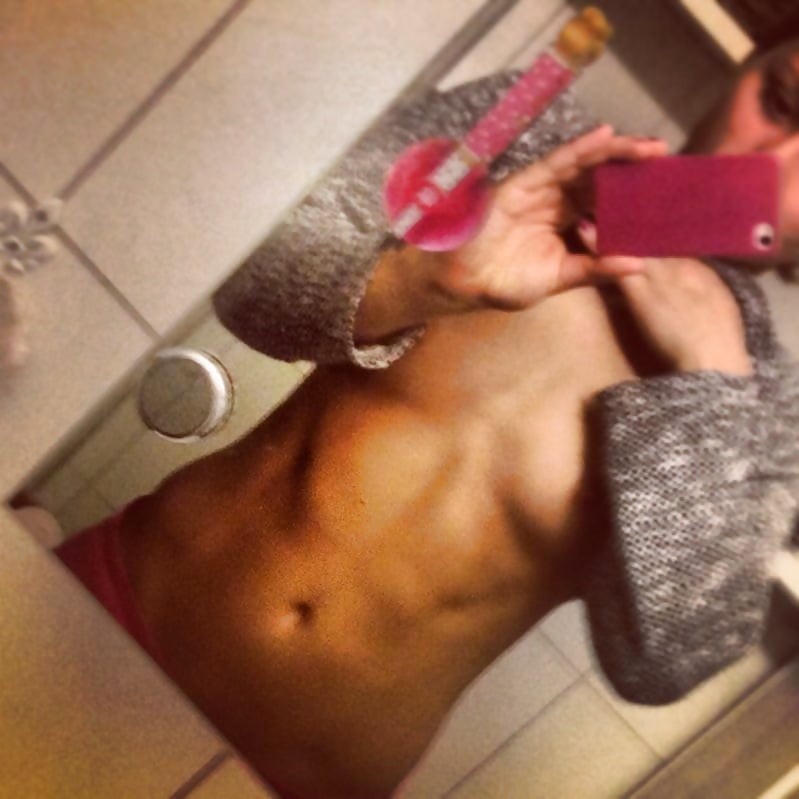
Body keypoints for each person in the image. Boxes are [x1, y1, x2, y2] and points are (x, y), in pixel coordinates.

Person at [57, 52, 799, 799]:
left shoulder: (764, 408)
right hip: (104, 615)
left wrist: (712, 379)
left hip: (289, 783)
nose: (773, 166)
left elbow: (666, 661)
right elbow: (245, 287)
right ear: (744, 67)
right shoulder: (526, 129)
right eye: (782, 101)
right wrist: (420, 282)